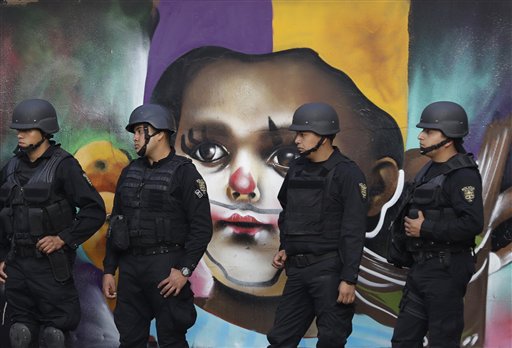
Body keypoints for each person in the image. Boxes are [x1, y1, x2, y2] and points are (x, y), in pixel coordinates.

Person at [151, 46, 403, 333]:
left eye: (285, 157)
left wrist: (347, 278)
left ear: (378, 186)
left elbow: (350, 232)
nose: (242, 184)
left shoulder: (377, 338)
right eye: (208, 151)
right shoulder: (167, 324)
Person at [102, 103, 213, 348]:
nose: (135, 138)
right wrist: (110, 269)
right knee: (129, 340)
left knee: (172, 339)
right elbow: (117, 223)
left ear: (160, 133)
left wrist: (183, 271)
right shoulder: (130, 171)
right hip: (131, 269)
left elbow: (201, 228)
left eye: (140, 131)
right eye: (134, 133)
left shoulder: (185, 173)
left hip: (166, 267)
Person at [0, 98, 106, 348]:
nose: (20, 135)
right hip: (18, 266)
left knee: (54, 335)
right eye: (18, 129)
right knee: (18, 334)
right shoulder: (11, 167)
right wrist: (2, 254)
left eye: (27, 129)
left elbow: (95, 210)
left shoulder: (64, 165)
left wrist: (63, 238)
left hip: (50, 268)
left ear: (44, 131)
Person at [266, 102, 368, 347]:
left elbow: (354, 229)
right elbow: (288, 211)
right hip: (298, 270)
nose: (297, 140)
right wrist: (285, 247)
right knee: (280, 339)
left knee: (331, 339)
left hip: (330, 270)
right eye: (297, 134)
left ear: (323, 136)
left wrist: (349, 279)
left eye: (303, 134)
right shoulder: (298, 168)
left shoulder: (347, 173)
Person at [390, 101, 484, 347]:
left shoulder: (463, 174)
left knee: (442, 340)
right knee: (403, 340)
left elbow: (473, 224)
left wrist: (426, 228)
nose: (420, 136)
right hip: (421, 268)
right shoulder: (428, 169)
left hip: (446, 269)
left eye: (429, 131)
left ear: (449, 137)